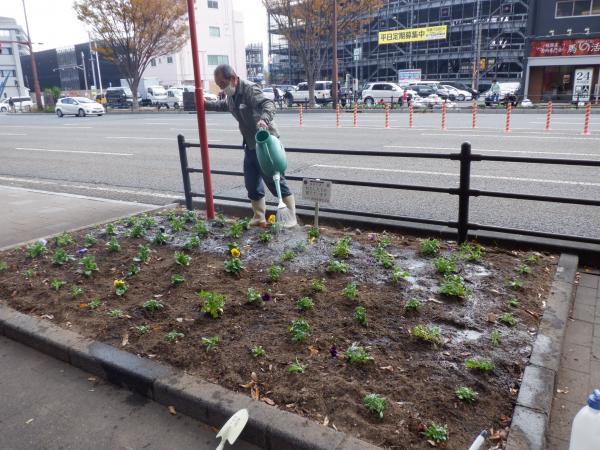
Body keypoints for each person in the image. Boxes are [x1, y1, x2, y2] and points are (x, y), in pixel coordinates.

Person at [204, 64, 297, 227]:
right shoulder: (232, 95)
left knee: (275, 181)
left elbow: (269, 104)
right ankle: (259, 216)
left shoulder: (249, 89)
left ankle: (291, 217)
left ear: (233, 78)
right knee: (251, 183)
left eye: (222, 84)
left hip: (265, 143)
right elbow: (224, 105)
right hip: (249, 144)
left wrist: (263, 120)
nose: (221, 88)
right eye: (219, 85)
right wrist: (206, 104)